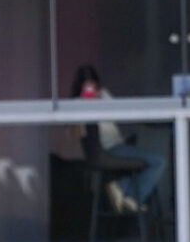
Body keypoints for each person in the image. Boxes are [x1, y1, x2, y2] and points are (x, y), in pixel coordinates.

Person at [71, 65, 166, 215]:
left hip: (118, 145)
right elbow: (75, 135)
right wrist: (82, 107)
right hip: (108, 149)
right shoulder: (75, 104)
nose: (90, 87)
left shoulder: (103, 94)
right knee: (158, 161)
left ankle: (121, 189)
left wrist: (99, 101)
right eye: (86, 84)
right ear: (80, 86)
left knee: (142, 161)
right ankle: (129, 195)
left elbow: (119, 112)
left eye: (92, 83)